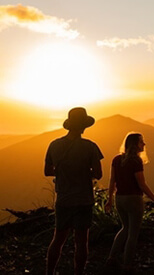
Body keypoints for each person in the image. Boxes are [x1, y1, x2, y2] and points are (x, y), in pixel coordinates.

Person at [44, 107, 104, 275]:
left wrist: (63, 172)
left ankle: (49, 272)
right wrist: (84, 172)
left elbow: (47, 171)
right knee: (81, 242)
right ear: (84, 126)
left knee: (58, 239)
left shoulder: (54, 145)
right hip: (84, 199)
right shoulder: (91, 147)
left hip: (63, 199)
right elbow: (98, 174)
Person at [105, 132, 154, 272]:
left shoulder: (116, 159)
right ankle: (127, 265)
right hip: (133, 199)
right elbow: (141, 184)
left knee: (125, 228)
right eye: (141, 142)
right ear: (134, 145)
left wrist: (110, 200)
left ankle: (111, 259)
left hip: (119, 199)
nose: (144, 144)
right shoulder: (136, 162)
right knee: (133, 233)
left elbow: (112, 181)